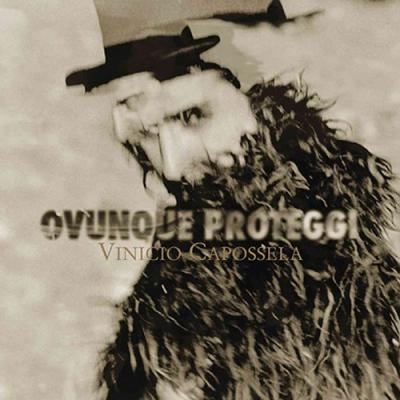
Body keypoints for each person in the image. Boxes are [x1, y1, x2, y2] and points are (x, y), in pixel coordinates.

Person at [68, 3, 400, 400]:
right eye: (143, 137)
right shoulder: (178, 277)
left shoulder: (330, 234)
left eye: (192, 116)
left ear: (246, 106)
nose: (172, 164)